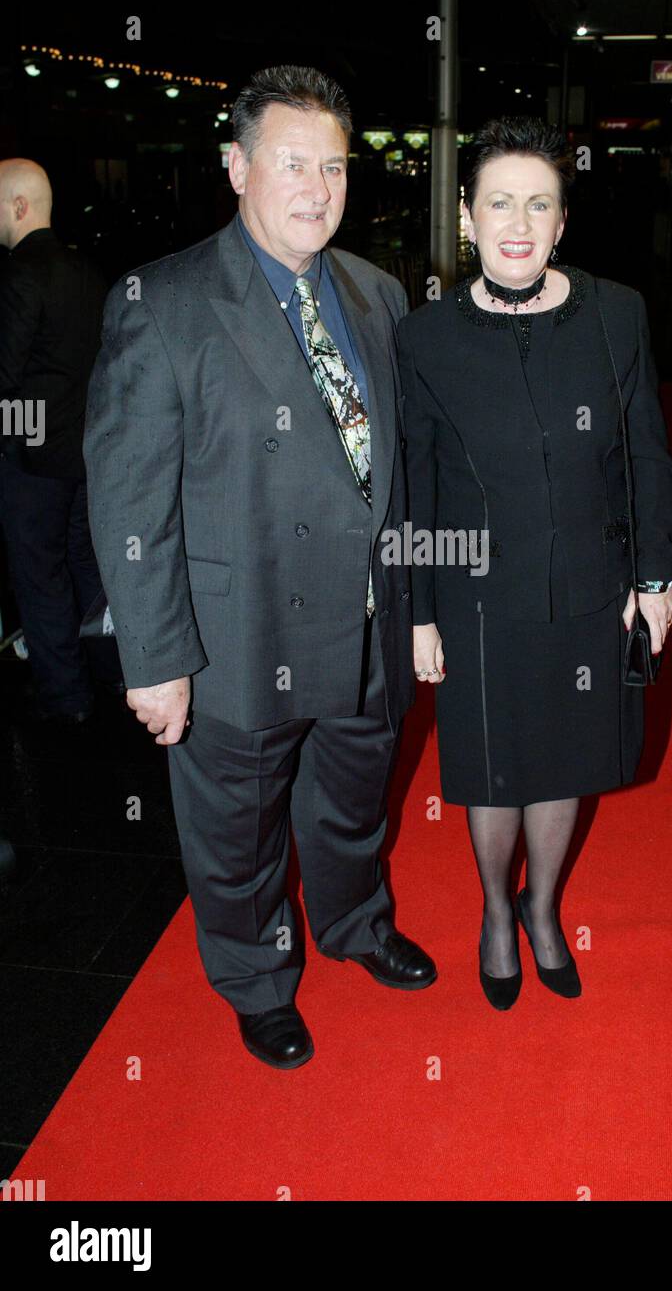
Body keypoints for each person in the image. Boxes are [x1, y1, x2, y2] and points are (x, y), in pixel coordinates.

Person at [83, 65, 434, 1071]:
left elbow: (391, 472)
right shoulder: (164, 301)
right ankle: (256, 976)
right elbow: (128, 495)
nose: (316, 188)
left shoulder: (375, 291)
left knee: (353, 799)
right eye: (292, 163)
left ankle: (357, 923)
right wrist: (153, 658)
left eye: (332, 166)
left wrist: (415, 606)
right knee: (236, 830)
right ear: (236, 166)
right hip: (241, 635)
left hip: (367, 620)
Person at [397, 116, 672, 1010]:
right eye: (497, 203)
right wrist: (416, 611)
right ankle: (493, 909)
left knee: (563, 762)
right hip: (477, 597)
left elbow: (646, 456)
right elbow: (413, 485)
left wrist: (656, 579)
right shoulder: (424, 337)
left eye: (538, 204)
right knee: (490, 768)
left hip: (591, 593)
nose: (516, 222)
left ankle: (542, 905)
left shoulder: (614, 312)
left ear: (561, 223)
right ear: (465, 217)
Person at [0, 158, 112, 726]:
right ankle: (110, 672)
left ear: (19, 206)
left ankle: (65, 698)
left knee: (38, 576)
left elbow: (6, 373)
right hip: (83, 454)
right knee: (86, 567)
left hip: (33, 460)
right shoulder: (86, 270)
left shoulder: (20, 272)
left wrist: (14, 435)